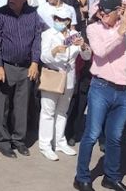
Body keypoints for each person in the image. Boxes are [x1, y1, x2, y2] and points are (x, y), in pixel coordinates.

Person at [74, 0, 126, 191]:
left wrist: (125, 11)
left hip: (124, 90)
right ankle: (81, 177)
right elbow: (99, 51)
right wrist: (120, 33)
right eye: (100, 10)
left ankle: (111, 176)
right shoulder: (93, 28)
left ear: (118, 11)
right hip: (101, 88)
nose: (102, 14)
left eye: (107, 11)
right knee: (91, 134)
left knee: (115, 136)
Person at [0, 0, 47, 158]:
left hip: (26, 67)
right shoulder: (0, 14)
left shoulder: (33, 14)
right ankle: (3, 141)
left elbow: (38, 38)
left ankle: (19, 140)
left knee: (22, 106)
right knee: (3, 106)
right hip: (6, 65)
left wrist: (35, 62)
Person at [38, 8, 91, 161]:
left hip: (69, 77)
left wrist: (83, 46)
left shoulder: (75, 36)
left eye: (62, 19)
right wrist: (54, 51)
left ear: (68, 21)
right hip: (53, 75)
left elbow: (86, 57)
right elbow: (44, 56)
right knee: (48, 111)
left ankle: (60, 141)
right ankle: (45, 144)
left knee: (62, 111)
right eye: (56, 18)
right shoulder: (48, 34)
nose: (59, 22)